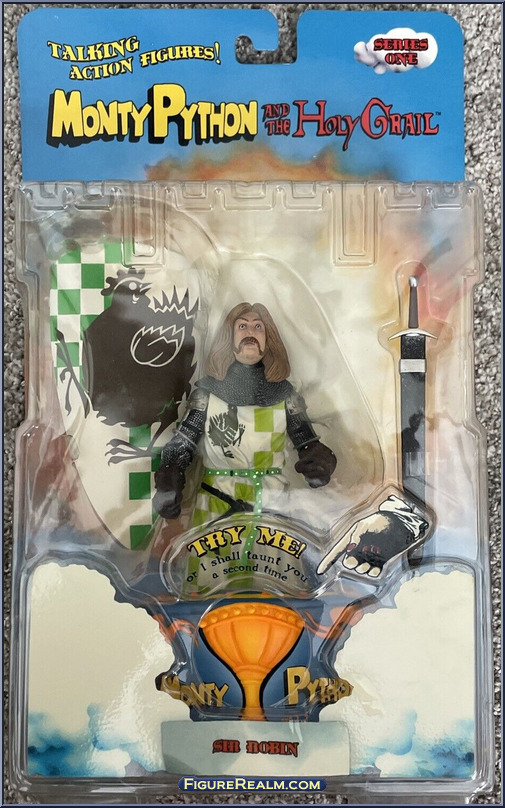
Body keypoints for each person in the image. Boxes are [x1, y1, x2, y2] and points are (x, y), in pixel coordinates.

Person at [153, 302, 336, 524]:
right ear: (229, 338)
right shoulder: (208, 395)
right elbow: (184, 443)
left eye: (258, 327)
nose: (251, 332)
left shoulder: (285, 396)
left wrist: (319, 463)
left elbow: (307, 443)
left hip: (271, 502)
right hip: (216, 500)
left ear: (268, 339)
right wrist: (169, 476)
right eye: (242, 326)